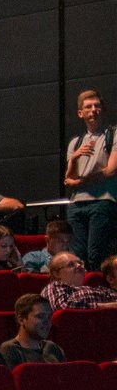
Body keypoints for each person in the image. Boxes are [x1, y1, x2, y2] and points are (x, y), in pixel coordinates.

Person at [66, 90, 117, 268]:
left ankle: (100, 293)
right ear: (81, 113)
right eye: (88, 106)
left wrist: (80, 182)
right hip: (77, 204)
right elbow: (68, 178)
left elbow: (110, 170)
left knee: (97, 254)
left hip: (102, 201)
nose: (93, 110)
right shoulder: (76, 142)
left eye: (97, 106)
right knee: (78, 256)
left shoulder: (113, 135)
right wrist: (74, 159)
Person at [0, 294, 65, 365]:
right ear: (21, 320)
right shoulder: (10, 350)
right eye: (40, 316)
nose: (47, 322)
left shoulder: (53, 348)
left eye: (49, 317)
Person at [41, 251, 117, 310]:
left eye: (80, 263)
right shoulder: (54, 287)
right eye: (71, 264)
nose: (79, 265)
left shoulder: (99, 289)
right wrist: (107, 306)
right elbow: (64, 306)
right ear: (56, 273)